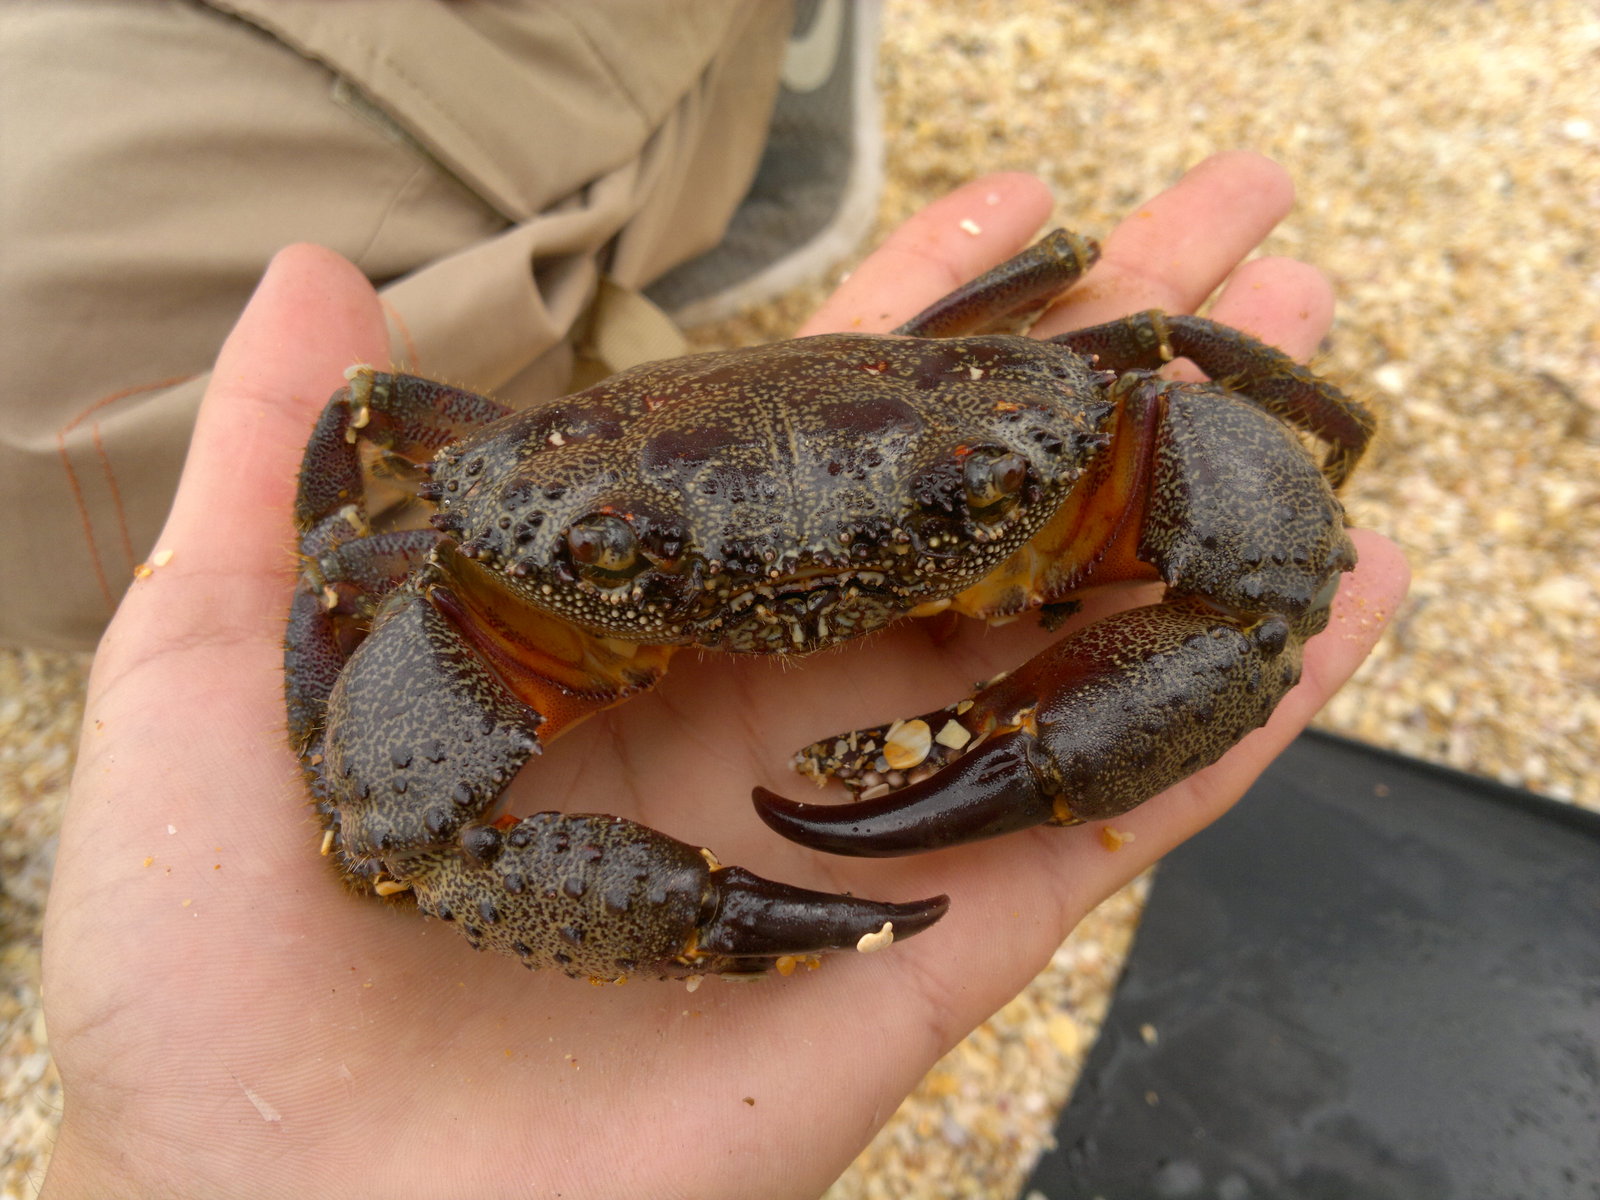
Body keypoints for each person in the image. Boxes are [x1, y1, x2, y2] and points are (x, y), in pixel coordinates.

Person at [40, 156, 1408, 1199]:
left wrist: (1291, 471)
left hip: (789, 485)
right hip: (650, 555)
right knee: (399, 824)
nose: (817, 605)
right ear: (550, 555)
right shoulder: (493, 591)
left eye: (975, 494)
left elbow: (1258, 575)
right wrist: (330, 610)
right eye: (629, 566)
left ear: (1016, 461)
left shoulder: (1092, 435)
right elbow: (406, 827)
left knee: (1256, 577)